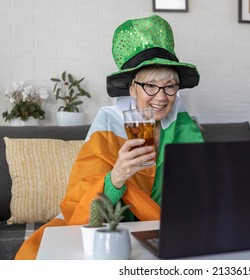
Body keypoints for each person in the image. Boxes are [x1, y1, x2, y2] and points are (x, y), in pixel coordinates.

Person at [15, 14, 204, 260]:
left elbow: (202, 189)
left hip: (168, 232)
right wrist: (117, 176)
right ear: (132, 88)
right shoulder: (109, 123)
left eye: (170, 86)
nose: (161, 97)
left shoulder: (183, 125)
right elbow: (82, 204)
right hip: (113, 231)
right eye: (150, 86)